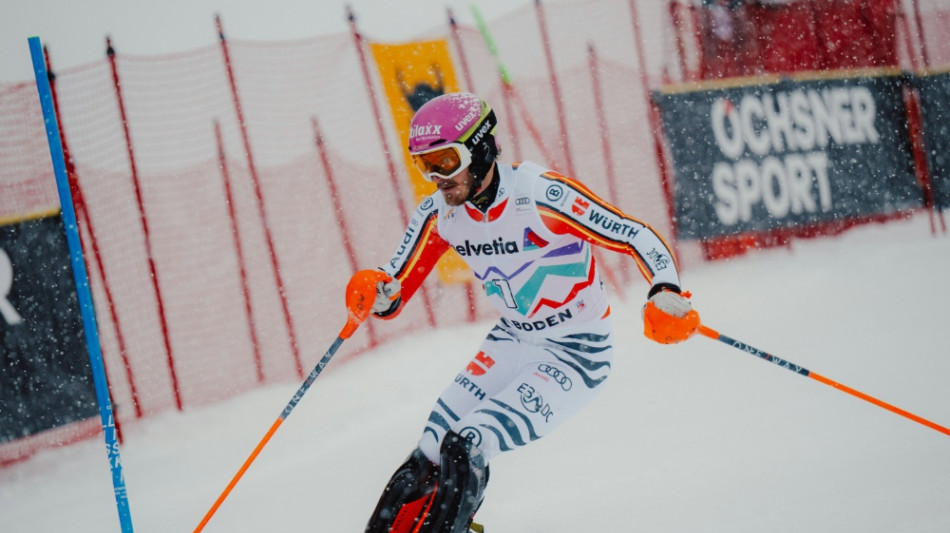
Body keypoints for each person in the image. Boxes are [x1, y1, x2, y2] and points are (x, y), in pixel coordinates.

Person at [355, 92, 699, 533]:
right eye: (425, 165)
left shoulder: (540, 195)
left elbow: (634, 234)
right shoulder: (441, 213)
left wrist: (664, 288)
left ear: (480, 149)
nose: (436, 178)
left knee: (466, 444)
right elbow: (393, 287)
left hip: (575, 353)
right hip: (513, 339)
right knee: (427, 455)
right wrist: (373, 291)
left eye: (445, 161)